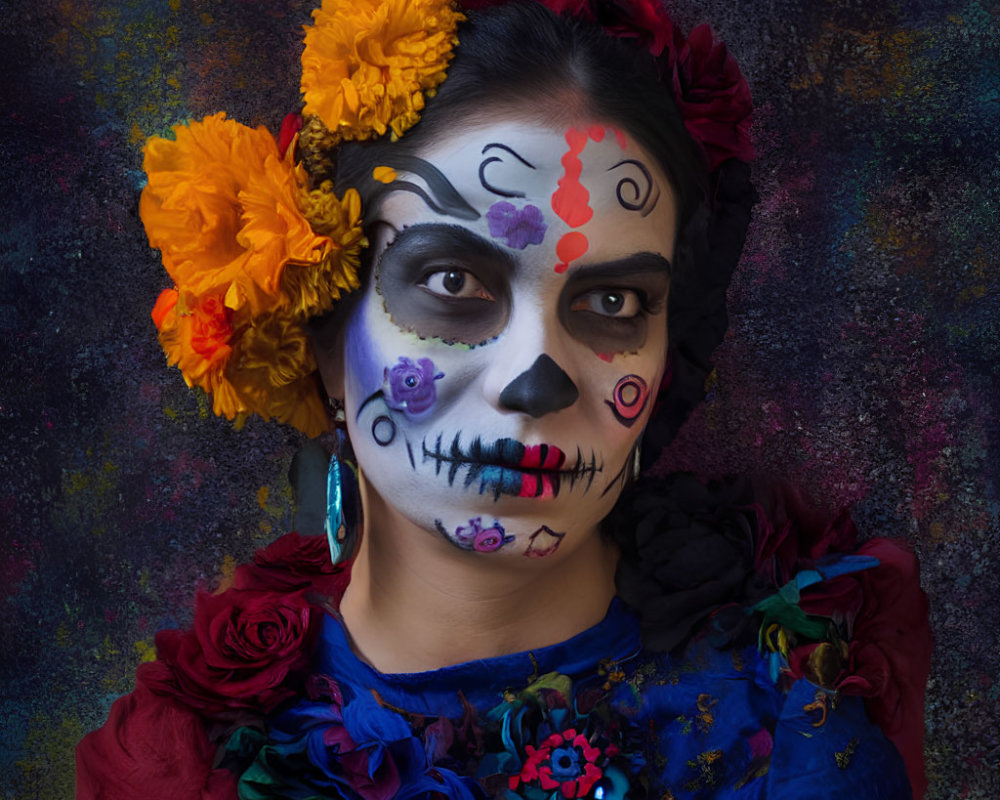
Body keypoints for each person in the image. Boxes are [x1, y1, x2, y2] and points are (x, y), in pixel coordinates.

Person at [76, 1, 931, 798]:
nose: (535, 376)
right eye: (453, 281)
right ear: (326, 336)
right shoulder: (188, 762)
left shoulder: (791, 733)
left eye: (614, 303)